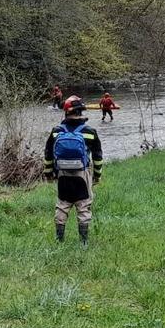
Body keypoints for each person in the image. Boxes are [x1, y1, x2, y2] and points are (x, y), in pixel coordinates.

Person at [44, 95, 103, 245]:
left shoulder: (56, 131)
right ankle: (83, 243)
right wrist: (97, 175)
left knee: (62, 205)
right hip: (82, 173)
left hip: (62, 174)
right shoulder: (90, 131)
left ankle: (59, 241)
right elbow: (97, 156)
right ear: (81, 111)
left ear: (66, 112)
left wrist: (48, 173)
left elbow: (48, 154)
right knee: (83, 205)